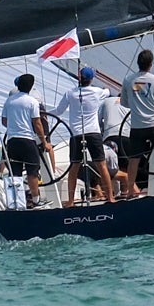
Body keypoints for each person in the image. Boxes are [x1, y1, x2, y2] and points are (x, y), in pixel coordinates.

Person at [55, 64, 113, 203]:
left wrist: (42, 114)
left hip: (76, 134)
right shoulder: (97, 92)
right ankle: (110, 197)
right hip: (93, 133)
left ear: (79, 78)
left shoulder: (70, 93)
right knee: (101, 164)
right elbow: (108, 91)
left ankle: (70, 201)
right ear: (91, 79)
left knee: (74, 167)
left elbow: (58, 111)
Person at [122, 49, 154, 196]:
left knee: (134, 159)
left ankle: (131, 189)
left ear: (138, 63)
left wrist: (138, 105)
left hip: (137, 127)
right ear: (151, 64)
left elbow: (124, 103)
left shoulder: (128, 80)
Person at [0, 72, 51, 207]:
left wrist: (14, 127)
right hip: (27, 140)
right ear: (31, 86)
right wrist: (44, 141)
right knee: (32, 172)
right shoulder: (32, 102)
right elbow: (37, 123)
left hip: (12, 141)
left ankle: (15, 202)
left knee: (15, 173)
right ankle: (36, 200)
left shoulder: (9, 101)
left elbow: (4, 121)